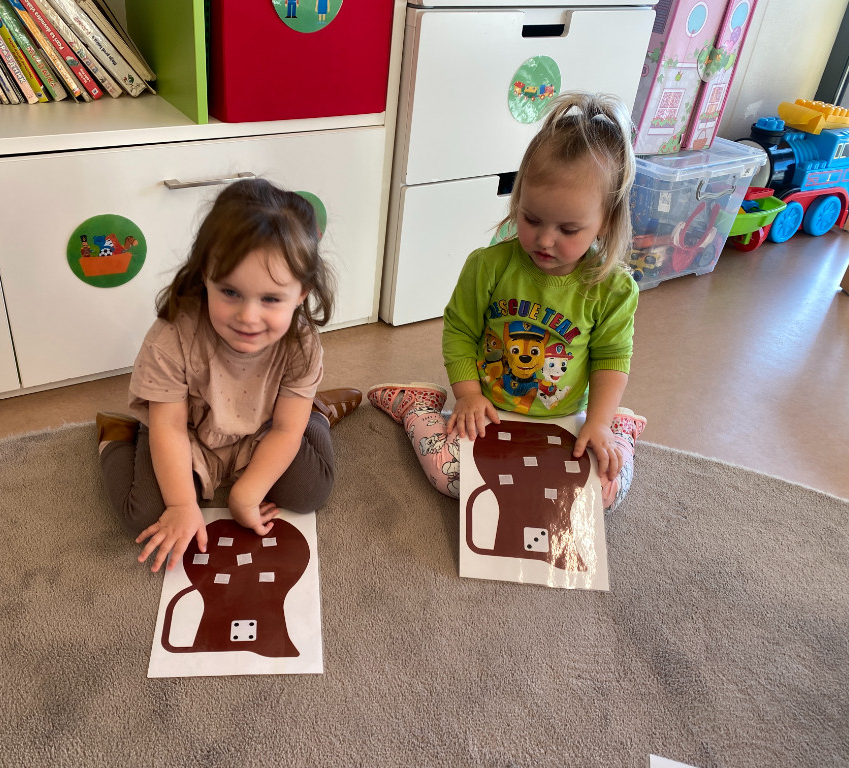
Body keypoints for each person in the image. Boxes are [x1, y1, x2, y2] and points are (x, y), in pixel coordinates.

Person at [368, 91, 647, 512]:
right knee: (449, 475)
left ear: (606, 221)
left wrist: (599, 423)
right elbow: (460, 330)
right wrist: (466, 395)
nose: (545, 239)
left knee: (602, 496)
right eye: (531, 218)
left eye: (568, 229)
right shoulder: (488, 266)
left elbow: (612, 357)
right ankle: (417, 407)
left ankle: (620, 428)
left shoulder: (614, 289)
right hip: (489, 410)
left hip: (568, 419)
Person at [97, 178, 361, 571]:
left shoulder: (301, 343)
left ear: (302, 293)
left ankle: (316, 413)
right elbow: (169, 428)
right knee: (144, 514)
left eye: (270, 299)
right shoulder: (171, 337)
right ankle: (116, 436)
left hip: (264, 429)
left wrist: (245, 495)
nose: (248, 317)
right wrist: (181, 505)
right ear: (206, 275)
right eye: (231, 293)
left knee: (311, 492)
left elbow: (286, 430)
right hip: (187, 433)